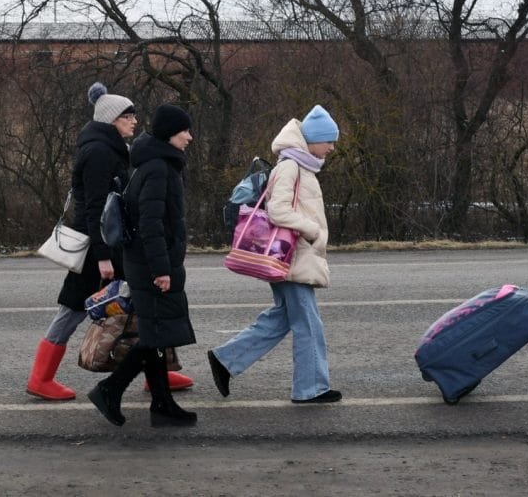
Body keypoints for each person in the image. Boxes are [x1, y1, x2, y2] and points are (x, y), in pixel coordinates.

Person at [26, 84, 193, 401]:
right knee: (73, 308)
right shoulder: (99, 153)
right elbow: (95, 207)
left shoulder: (114, 149)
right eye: (128, 116)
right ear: (111, 119)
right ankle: (40, 378)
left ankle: (157, 374)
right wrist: (102, 256)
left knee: (144, 307)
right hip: (97, 247)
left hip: (114, 244)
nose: (134, 121)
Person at [207, 105, 342, 404]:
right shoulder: (291, 166)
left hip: (292, 256)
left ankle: (226, 359)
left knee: (283, 318)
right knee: (308, 323)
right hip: (291, 257)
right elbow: (278, 211)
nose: (332, 148)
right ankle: (311, 389)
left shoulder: (300, 165)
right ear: (312, 139)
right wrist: (312, 230)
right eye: (329, 141)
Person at [88, 104, 198, 427]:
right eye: (185, 131)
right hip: (151, 266)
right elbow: (151, 224)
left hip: (147, 262)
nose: (189, 137)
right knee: (154, 336)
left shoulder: (155, 163)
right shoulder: (158, 169)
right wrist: (161, 270)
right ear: (169, 133)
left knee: (157, 334)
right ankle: (110, 389)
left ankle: (162, 404)